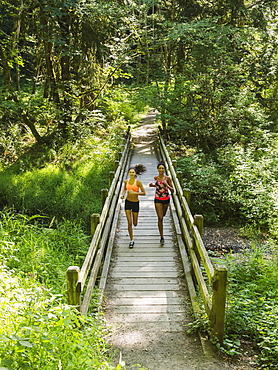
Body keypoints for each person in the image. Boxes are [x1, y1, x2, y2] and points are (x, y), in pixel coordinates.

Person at [120, 164, 146, 248]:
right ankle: (131, 240)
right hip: (128, 202)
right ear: (128, 173)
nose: (131, 173)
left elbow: (144, 193)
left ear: (135, 173)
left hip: (135, 203)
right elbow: (124, 189)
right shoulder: (126, 182)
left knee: (134, 223)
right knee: (129, 222)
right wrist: (123, 195)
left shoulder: (138, 182)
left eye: (133, 172)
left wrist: (135, 193)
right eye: (130, 172)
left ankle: (135, 223)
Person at [149, 161, 174, 244]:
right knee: (160, 218)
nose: (161, 169)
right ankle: (162, 237)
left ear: (165, 169)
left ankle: (162, 235)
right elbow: (158, 186)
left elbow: (173, 191)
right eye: (160, 168)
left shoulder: (168, 178)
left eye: (162, 168)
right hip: (158, 198)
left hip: (166, 199)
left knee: (163, 214)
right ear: (157, 169)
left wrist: (167, 185)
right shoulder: (156, 178)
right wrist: (153, 186)